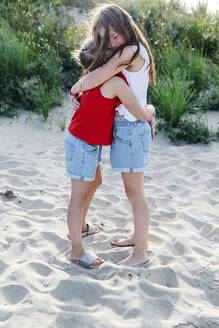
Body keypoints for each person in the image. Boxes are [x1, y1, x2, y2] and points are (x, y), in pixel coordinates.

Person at [70, 4, 156, 267]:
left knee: (135, 194)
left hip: (131, 128)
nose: (112, 43)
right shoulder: (132, 49)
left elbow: (103, 74)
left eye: (115, 36)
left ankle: (140, 253)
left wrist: (77, 86)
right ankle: (137, 238)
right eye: (107, 39)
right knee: (132, 192)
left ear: (125, 27)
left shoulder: (131, 50)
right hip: (127, 127)